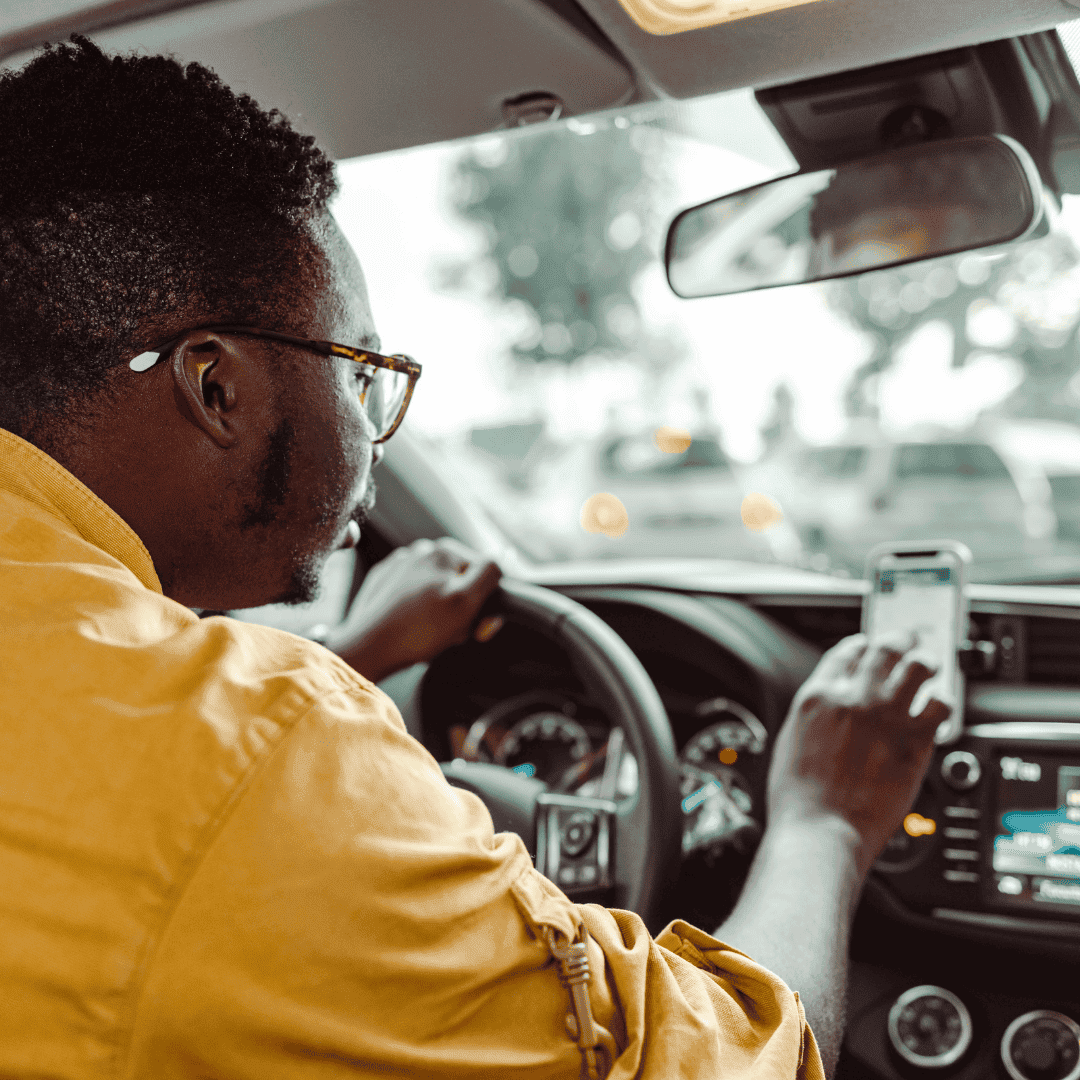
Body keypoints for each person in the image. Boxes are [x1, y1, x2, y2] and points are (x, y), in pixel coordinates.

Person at [0, 37, 950, 1080]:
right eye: (360, 370)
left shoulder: (189, 728)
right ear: (216, 387)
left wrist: (352, 653)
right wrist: (826, 818)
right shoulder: (275, 750)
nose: (374, 426)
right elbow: (735, 1064)